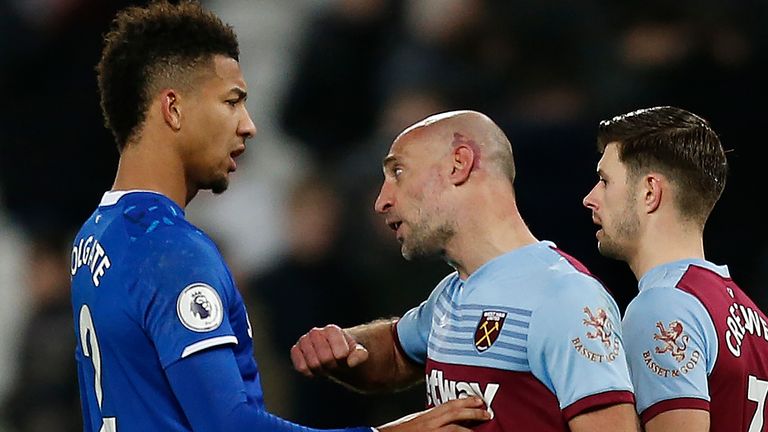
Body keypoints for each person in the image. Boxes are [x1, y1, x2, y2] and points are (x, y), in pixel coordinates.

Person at [70, 2, 490, 431]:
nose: (248, 125)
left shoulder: (96, 237)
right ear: (173, 109)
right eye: (231, 102)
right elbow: (231, 427)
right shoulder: (171, 250)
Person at [291, 110, 641, 431]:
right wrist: (342, 346)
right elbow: (397, 353)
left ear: (459, 163)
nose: (381, 200)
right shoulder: (451, 294)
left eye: (398, 172)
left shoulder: (564, 297)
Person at [582, 105, 768, 432]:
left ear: (650, 192)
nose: (590, 198)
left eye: (604, 180)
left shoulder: (663, 308)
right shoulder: (755, 318)